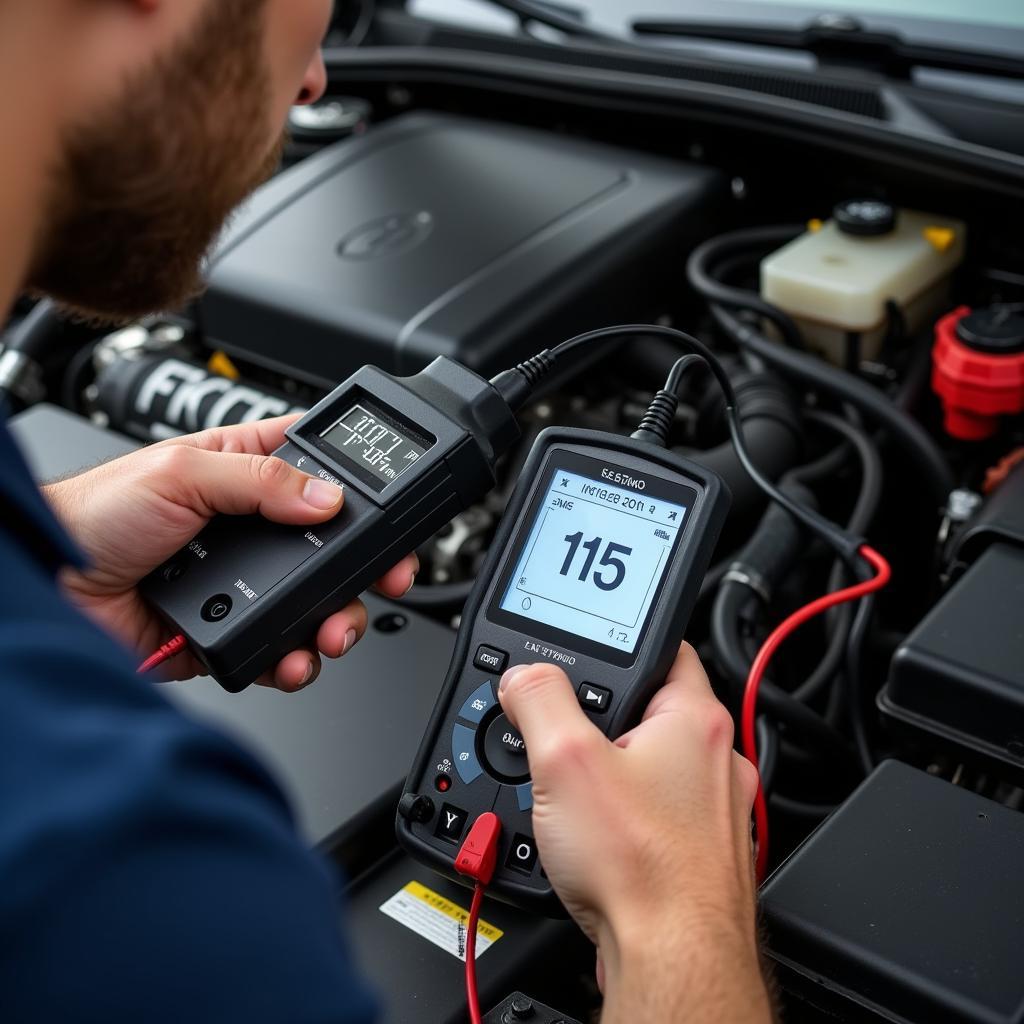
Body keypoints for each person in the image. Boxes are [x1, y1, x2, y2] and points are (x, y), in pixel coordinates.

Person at [0, 1, 772, 1020]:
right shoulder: (141, 876)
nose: (320, 79)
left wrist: (46, 570)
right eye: (315, 17)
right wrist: (682, 920)